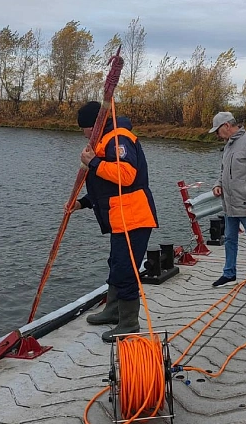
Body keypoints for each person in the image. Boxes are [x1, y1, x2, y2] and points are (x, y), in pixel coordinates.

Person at [70, 101, 158, 343]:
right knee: (116, 263)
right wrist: (83, 203)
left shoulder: (118, 138)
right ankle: (113, 310)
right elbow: (108, 188)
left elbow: (126, 176)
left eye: (84, 129)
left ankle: (129, 323)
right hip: (122, 218)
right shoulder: (106, 139)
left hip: (135, 217)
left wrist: (93, 163)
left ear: (92, 125)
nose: (83, 134)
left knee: (126, 270)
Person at [209, 111, 246, 294]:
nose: (218, 135)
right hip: (229, 203)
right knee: (230, 240)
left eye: (218, 131)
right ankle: (229, 274)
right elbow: (224, 170)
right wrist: (218, 184)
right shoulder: (228, 146)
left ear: (227, 126)